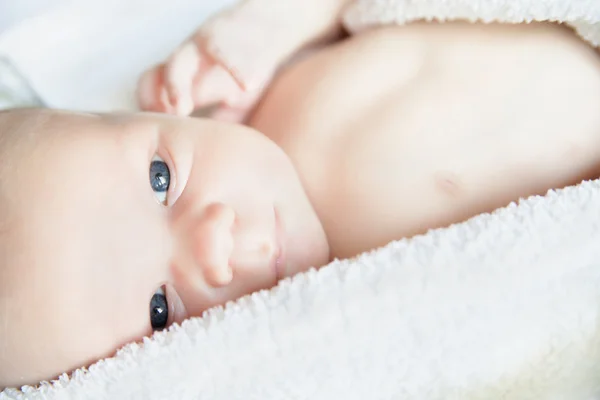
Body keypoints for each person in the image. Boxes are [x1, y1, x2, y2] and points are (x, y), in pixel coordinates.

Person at [2, 0, 600, 390]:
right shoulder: (361, 318)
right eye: (159, 311)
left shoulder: (259, 68)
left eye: (162, 180)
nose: (212, 240)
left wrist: (281, 24)